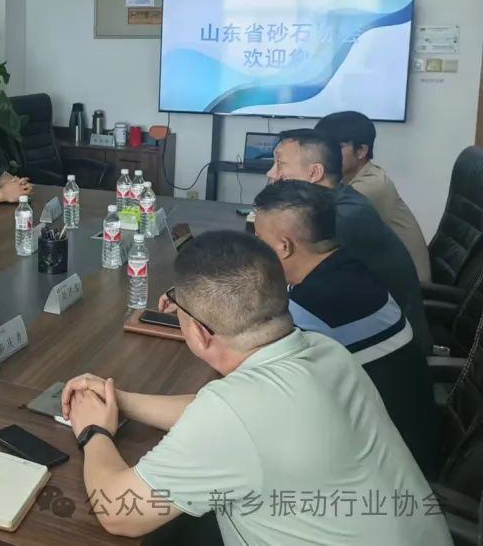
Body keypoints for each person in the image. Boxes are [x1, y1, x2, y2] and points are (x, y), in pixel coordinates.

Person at [62, 231, 451, 545]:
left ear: (200, 332)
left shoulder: (232, 414)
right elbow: (222, 414)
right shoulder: (325, 351)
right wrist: (120, 401)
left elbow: (118, 511)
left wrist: (93, 430)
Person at [253, 179, 436, 476]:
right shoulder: (348, 267)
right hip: (412, 432)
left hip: (381, 464)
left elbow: (252, 374)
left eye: (259, 240)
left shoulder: (310, 307)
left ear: (284, 247)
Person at [266, 128, 430, 355]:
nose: (271, 174)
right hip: (358, 329)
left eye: (280, 164)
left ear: (314, 173)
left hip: (386, 348)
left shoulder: (344, 217)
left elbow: (282, 274)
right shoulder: (335, 202)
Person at [315, 110, 431, 283]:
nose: (325, 155)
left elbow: (320, 225)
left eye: (335, 147)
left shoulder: (371, 186)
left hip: (405, 286)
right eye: (322, 147)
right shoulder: (348, 179)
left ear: (361, 151)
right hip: (381, 272)